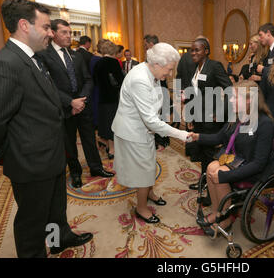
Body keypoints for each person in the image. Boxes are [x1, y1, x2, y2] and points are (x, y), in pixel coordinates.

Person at [0, 0, 92, 257]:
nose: (51, 33)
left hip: (50, 154)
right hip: (30, 159)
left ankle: (58, 239)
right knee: (32, 222)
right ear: (24, 25)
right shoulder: (6, 62)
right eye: (46, 27)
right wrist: (12, 147)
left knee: (54, 208)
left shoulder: (32, 58)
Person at [111, 43, 189, 224]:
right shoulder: (140, 79)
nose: (169, 74)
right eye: (169, 70)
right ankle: (141, 207)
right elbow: (151, 120)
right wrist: (181, 134)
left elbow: (154, 104)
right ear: (156, 64)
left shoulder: (150, 73)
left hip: (144, 129)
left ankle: (149, 193)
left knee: (149, 164)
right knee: (143, 170)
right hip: (133, 131)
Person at [188, 80, 274, 234]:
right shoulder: (237, 116)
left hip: (254, 169)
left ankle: (226, 219)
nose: (230, 100)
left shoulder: (265, 123)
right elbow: (218, 138)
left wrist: (226, 175)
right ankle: (217, 212)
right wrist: (197, 137)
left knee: (218, 173)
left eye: (235, 97)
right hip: (237, 160)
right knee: (211, 167)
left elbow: (258, 164)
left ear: (249, 100)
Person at [38, 19, 114, 189]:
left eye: (70, 32)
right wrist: (70, 102)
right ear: (53, 33)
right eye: (64, 32)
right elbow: (47, 85)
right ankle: (76, 173)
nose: (69, 36)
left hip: (82, 106)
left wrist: (80, 100)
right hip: (64, 109)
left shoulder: (76, 55)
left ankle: (96, 167)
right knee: (69, 143)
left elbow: (88, 80)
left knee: (89, 139)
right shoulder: (44, 55)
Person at [185, 38, 233, 191]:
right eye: (192, 50)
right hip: (198, 115)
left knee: (209, 152)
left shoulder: (214, 66)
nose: (193, 53)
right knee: (201, 151)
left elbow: (230, 89)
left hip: (211, 117)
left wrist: (221, 111)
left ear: (206, 51)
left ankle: (212, 185)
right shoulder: (195, 68)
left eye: (197, 50)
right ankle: (204, 181)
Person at [93, 40, 125, 160]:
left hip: (102, 98)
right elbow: (121, 80)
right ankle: (112, 149)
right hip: (113, 97)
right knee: (113, 123)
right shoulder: (114, 62)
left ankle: (104, 142)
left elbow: (95, 81)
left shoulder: (98, 63)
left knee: (106, 122)